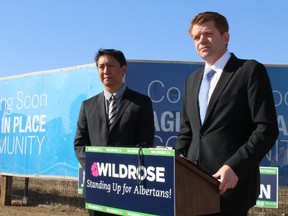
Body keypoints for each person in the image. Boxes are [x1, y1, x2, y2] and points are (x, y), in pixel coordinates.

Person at [175, 11, 278, 215]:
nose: (201, 40)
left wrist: (235, 167)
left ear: (225, 37)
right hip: (192, 188)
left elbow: (266, 129)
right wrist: (175, 157)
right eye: (196, 37)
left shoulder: (249, 71)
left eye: (208, 34)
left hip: (231, 188)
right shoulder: (192, 80)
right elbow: (188, 132)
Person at [74, 49, 155, 216]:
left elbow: (145, 143)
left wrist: (120, 171)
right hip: (96, 186)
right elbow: (80, 144)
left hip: (128, 187)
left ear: (123, 69)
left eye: (110, 65)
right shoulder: (87, 106)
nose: (105, 71)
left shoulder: (141, 103)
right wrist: (98, 169)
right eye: (101, 66)